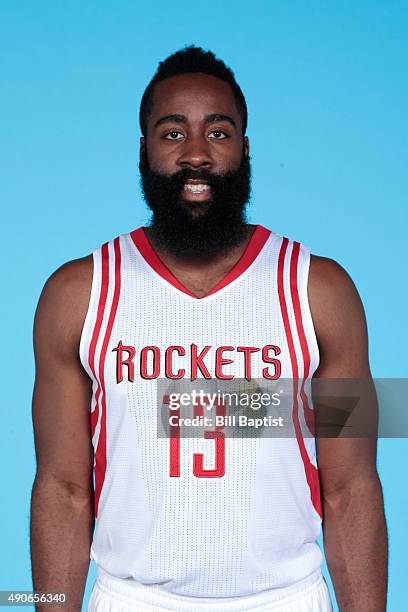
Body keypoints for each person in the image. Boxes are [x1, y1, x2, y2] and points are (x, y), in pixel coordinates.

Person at [30, 45, 388, 612]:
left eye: (218, 133)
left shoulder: (322, 291)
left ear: (245, 149)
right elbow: (63, 490)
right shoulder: (78, 294)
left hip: (286, 600)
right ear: (142, 149)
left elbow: (352, 488)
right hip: (131, 599)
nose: (196, 154)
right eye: (172, 134)